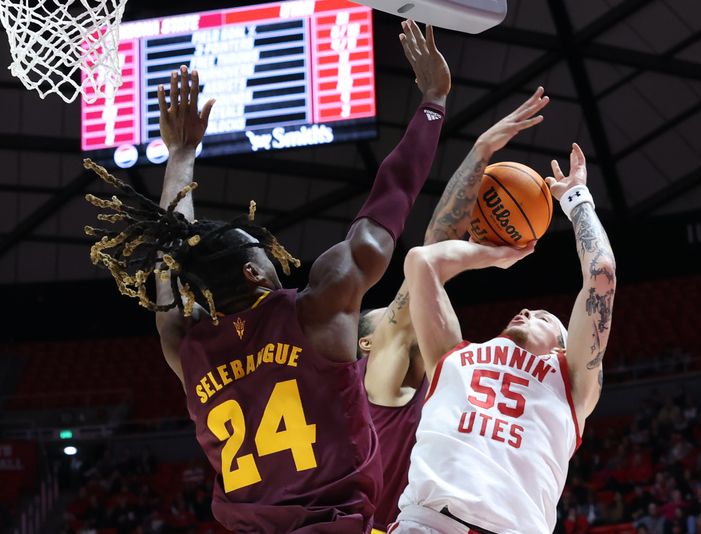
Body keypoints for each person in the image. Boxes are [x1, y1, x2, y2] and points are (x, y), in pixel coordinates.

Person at [84, 20, 451, 534]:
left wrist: (181, 157)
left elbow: (169, 256)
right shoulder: (318, 311)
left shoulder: (187, 350)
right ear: (254, 271)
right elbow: (385, 210)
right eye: (262, 247)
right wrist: (432, 102)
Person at [392, 143, 618, 533]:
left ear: (564, 347)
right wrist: (493, 255)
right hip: (427, 523)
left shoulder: (572, 382)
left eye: (545, 317)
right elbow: (420, 261)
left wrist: (577, 200)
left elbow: (602, 275)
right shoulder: (454, 355)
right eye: (530, 309)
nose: (529, 311)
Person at [357, 89, 550, 532]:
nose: (396, 312)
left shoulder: (441, 376)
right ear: (367, 343)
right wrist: (480, 151)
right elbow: (427, 262)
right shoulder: (379, 380)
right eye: (384, 314)